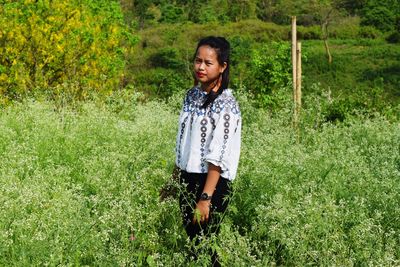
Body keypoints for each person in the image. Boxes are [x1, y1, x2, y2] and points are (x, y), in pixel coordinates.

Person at [174, 36, 241, 266]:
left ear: (223, 66)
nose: (201, 67)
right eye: (197, 60)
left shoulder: (226, 104)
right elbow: (183, 142)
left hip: (212, 184)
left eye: (208, 63)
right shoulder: (191, 95)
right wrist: (174, 180)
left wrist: (205, 199)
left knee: (205, 246)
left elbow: (218, 155)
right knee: (195, 246)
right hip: (187, 178)